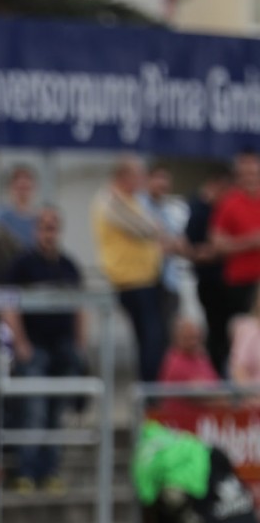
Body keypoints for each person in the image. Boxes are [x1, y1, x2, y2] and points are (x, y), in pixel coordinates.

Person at [4, 206, 86, 493]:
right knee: (33, 410)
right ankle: (26, 471)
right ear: (36, 230)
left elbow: (80, 307)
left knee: (56, 413)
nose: (48, 232)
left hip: (62, 349)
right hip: (34, 347)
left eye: (53, 226)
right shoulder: (23, 264)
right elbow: (8, 305)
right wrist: (21, 343)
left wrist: (79, 345)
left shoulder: (68, 266)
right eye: (44, 226)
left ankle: (50, 471)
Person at [93, 156, 169, 383]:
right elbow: (145, 228)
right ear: (123, 176)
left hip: (146, 279)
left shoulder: (130, 199)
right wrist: (157, 230)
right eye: (138, 176)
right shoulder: (110, 200)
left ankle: (152, 394)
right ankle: (148, 397)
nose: (141, 181)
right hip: (131, 281)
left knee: (155, 341)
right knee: (150, 341)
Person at [212, 148, 260, 376]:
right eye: (245, 171)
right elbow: (217, 243)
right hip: (240, 283)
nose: (250, 175)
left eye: (253, 170)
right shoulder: (229, 202)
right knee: (241, 339)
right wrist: (248, 242)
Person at [183, 163, 233, 374]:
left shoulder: (224, 207)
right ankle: (217, 372)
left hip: (227, 278)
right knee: (215, 330)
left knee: (228, 330)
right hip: (208, 279)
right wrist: (205, 252)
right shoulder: (197, 209)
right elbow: (188, 245)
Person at [141, 162, 191, 328]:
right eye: (159, 178)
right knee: (150, 334)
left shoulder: (169, 211)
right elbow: (150, 245)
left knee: (167, 334)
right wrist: (167, 244)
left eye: (166, 180)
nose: (163, 184)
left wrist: (166, 244)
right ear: (148, 180)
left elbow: (182, 246)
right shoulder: (138, 206)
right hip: (147, 281)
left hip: (169, 282)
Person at [0, 164, 41, 250]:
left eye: (26, 188)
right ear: (11, 188)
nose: (23, 192)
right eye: (19, 187)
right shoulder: (2, 218)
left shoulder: (40, 218)